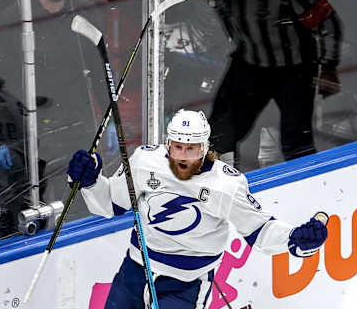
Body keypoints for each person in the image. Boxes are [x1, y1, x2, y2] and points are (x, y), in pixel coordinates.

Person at [67, 109, 328, 308]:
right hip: (135, 270)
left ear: (204, 148)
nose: (182, 156)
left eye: (191, 149)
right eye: (177, 147)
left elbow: (260, 230)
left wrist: (295, 239)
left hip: (185, 284)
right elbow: (112, 202)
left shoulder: (225, 185)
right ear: (168, 144)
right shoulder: (144, 163)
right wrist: (90, 181)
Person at [208, 0, 343, 168]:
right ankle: (223, 181)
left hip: (293, 69)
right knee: (220, 133)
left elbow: (327, 21)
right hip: (250, 65)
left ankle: (306, 182)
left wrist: (328, 66)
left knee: (296, 141)